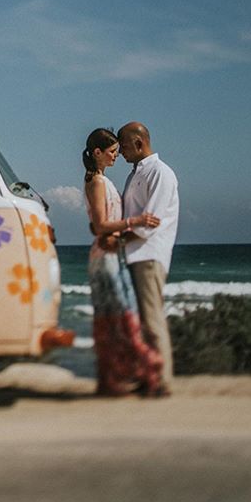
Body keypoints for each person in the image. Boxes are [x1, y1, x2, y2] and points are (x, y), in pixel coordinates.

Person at [83, 128, 163, 396]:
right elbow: (100, 224)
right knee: (117, 319)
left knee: (115, 319)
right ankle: (147, 371)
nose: (117, 156)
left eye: (118, 151)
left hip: (112, 254)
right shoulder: (96, 182)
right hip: (103, 259)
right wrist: (136, 221)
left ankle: (114, 378)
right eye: (112, 152)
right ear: (97, 153)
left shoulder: (103, 182)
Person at [118, 122, 179, 396]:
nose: (120, 152)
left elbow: (148, 223)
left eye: (124, 145)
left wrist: (118, 239)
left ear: (139, 144)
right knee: (144, 321)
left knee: (153, 320)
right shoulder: (136, 174)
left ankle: (162, 381)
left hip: (150, 253)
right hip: (135, 255)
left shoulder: (160, 173)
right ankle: (149, 376)